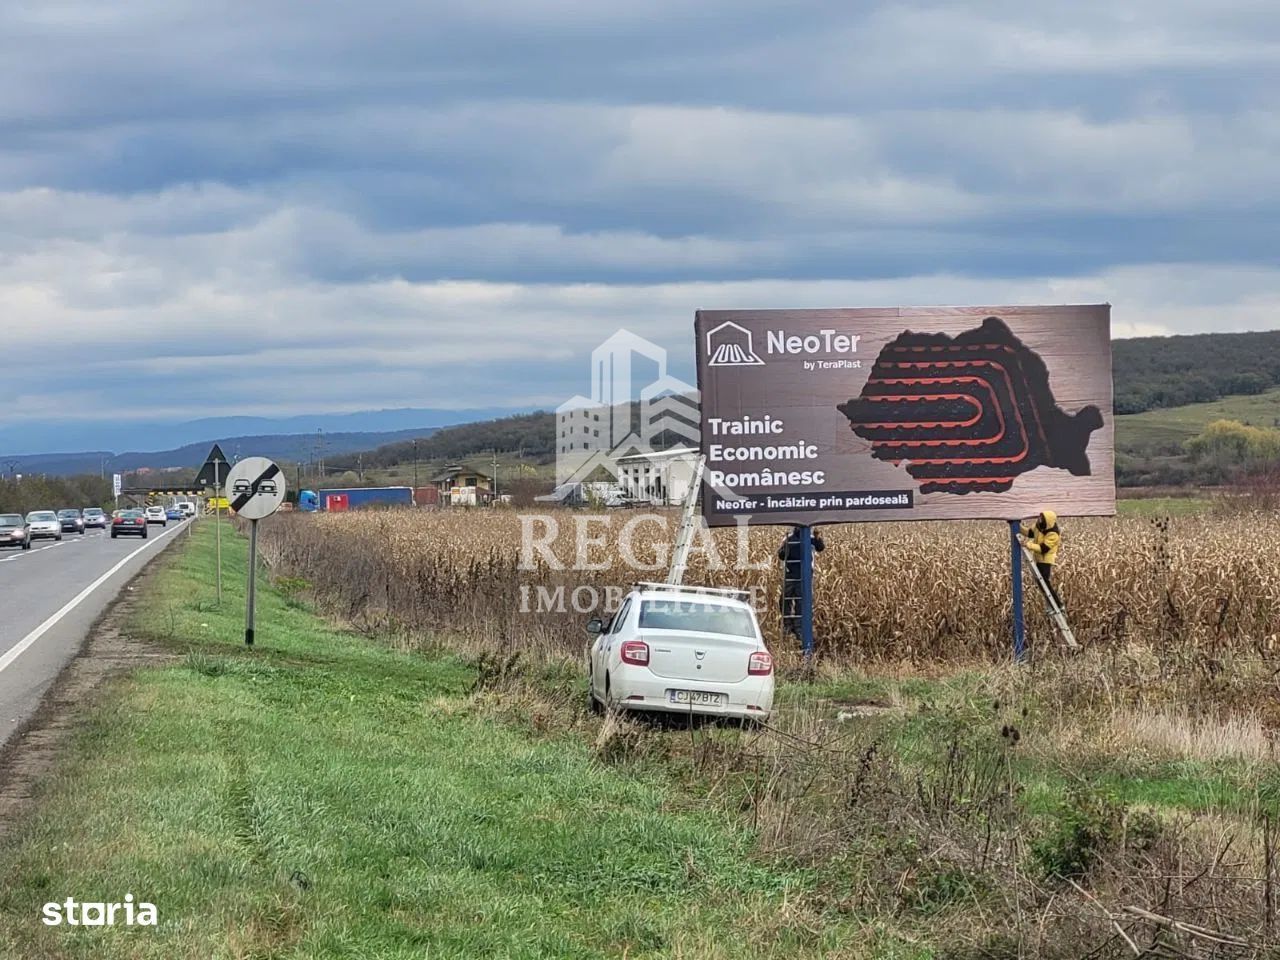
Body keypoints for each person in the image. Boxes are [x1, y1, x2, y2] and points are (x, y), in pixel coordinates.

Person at [778, 525, 825, 638]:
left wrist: (818, 537)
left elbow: (820, 548)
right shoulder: (789, 539)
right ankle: (787, 625)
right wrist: (784, 547)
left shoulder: (810, 538)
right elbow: (781, 555)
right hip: (790, 574)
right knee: (784, 600)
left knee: (800, 602)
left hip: (804, 575)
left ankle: (798, 628)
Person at [1021, 510, 1064, 610]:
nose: (1039, 520)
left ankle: (1057, 605)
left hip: (1046, 560)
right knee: (1042, 583)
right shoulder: (1039, 526)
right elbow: (1029, 533)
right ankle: (1053, 605)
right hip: (1038, 559)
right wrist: (1018, 527)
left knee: (1044, 582)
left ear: (1047, 520)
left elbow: (1043, 548)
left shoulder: (1053, 533)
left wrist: (1028, 545)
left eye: (1041, 518)